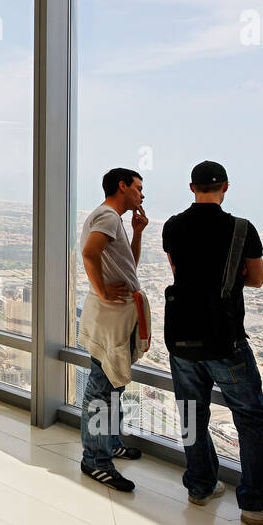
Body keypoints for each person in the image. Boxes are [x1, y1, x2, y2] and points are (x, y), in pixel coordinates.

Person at [163, 160, 263, 525]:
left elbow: (180, 275)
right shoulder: (242, 229)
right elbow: (257, 279)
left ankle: (200, 486)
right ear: (225, 187)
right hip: (224, 339)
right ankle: (258, 504)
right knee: (251, 418)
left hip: (181, 339)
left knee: (192, 416)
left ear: (191, 188)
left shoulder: (173, 226)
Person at [77, 167, 151, 492]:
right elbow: (89, 253)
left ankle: (109, 444)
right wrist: (104, 292)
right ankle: (95, 460)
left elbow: (127, 266)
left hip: (111, 318)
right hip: (108, 317)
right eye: (138, 187)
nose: (142, 194)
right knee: (101, 389)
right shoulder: (107, 216)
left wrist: (137, 232)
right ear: (122, 187)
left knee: (111, 386)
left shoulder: (112, 219)